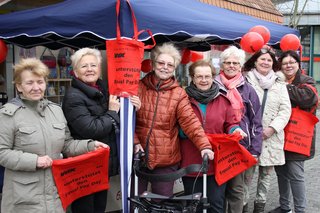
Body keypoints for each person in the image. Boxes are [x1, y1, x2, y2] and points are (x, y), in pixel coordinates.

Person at [0, 58, 108, 213]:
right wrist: (34, 161)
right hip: (24, 198)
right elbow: (2, 152)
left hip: (55, 194)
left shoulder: (56, 111)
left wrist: (90, 145)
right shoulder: (8, 114)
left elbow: (66, 144)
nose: (36, 87)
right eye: (29, 83)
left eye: (40, 82)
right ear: (19, 86)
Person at [62, 47, 141, 213]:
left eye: (93, 65)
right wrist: (112, 112)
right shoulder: (73, 96)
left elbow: (120, 118)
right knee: (85, 208)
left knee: (99, 207)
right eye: (84, 66)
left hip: (101, 163)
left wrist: (135, 107)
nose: (90, 69)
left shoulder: (104, 89)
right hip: (84, 166)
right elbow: (91, 129)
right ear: (75, 71)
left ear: (99, 68)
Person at [134, 43, 214, 198]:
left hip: (166, 159)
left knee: (163, 204)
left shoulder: (179, 94)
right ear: (153, 63)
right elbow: (126, 121)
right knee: (136, 203)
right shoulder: (138, 87)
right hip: (138, 155)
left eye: (170, 65)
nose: (165, 67)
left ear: (174, 68)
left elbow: (190, 121)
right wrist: (134, 142)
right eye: (161, 63)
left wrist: (204, 146)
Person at [180, 59, 249, 213]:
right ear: (192, 78)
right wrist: (184, 132)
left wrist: (235, 130)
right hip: (191, 160)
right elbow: (176, 125)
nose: (204, 80)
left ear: (213, 77)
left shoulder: (223, 100)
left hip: (217, 162)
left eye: (207, 76)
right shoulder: (183, 99)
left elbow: (230, 123)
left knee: (216, 204)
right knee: (194, 204)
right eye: (199, 77)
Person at [214, 46, 263, 213]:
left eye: (235, 63)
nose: (231, 66)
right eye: (228, 62)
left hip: (241, 147)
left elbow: (256, 121)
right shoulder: (212, 86)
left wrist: (255, 149)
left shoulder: (248, 90)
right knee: (218, 191)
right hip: (218, 146)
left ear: (241, 65)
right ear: (222, 64)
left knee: (236, 190)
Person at [242, 47, 292, 213]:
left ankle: (259, 207)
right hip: (250, 136)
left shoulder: (280, 83)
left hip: (271, 137)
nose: (265, 62)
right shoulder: (246, 81)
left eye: (269, 60)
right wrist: (251, 130)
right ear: (255, 61)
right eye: (262, 59)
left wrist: (272, 128)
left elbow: (285, 110)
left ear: (273, 64)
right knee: (246, 176)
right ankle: (242, 207)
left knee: (266, 176)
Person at [269, 50, 318, 213]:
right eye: (284, 63)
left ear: (298, 64)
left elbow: (308, 98)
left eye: (292, 62)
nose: (288, 66)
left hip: (298, 136)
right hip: (279, 134)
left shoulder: (306, 80)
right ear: (280, 66)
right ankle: (285, 207)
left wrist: (284, 87)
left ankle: (300, 210)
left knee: (296, 175)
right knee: (281, 173)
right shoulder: (275, 80)